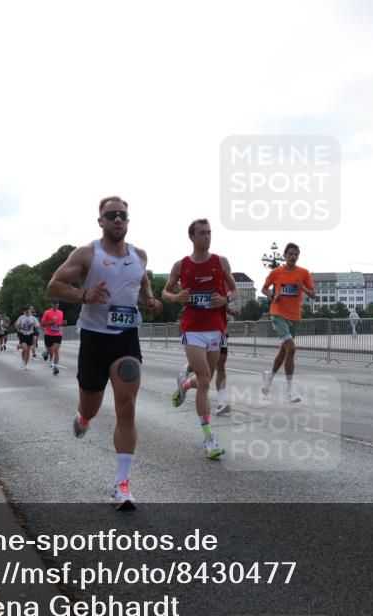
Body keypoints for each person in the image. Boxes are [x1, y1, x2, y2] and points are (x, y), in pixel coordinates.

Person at [47, 195, 162, 510]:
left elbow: (142, 280)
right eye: (111, 215)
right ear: (100, 221)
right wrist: (84, 294)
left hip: (126, 337)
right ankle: (83, 418)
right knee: (92, 405)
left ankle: (121, 486)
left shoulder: (139, 255)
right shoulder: (87, 253)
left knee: (126, 406)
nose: (117, 220)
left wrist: (149, 299)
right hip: (95, 339)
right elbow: (54, 286)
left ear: (128, 220)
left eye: (122, 215)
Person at [163, 219, 239, 458]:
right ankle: (209, 439)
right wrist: (176, 298)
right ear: (192, 237)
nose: (207, 237)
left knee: (204, 381)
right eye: (202, 233)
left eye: (209, 233)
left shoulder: (220, 261)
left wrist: (225, 300)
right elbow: (165, 292)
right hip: (193, 328)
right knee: (205, 379)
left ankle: (185, 384)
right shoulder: (181, 265)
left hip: (216, 328)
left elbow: (235, 291)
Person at [260, 243, 314, 403]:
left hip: (294, 317)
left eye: (296, 254)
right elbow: (264, 288)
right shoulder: (276, 272)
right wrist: (272, 296)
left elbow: (313, 295)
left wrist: (302, 288)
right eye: (290, 254)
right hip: (278, 314)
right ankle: (290, 389)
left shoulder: (303, 273)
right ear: (284, 255)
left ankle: (269, 377)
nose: (293, 257)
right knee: (291, 348)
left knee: (284, 352)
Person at [41, 299, 66, 375]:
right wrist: (50, 323)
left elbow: (59, 323)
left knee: (56, 350)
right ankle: (45, 353)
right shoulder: (47, 313)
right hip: (48, 334)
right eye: (54, 304)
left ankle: (55, 367)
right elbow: (42, 324)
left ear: (58, 305)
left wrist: (62, 323)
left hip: (58, 334)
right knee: (50, 351)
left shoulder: (61, 312)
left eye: (57, 304)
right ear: (51, 304)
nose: (56, 305)